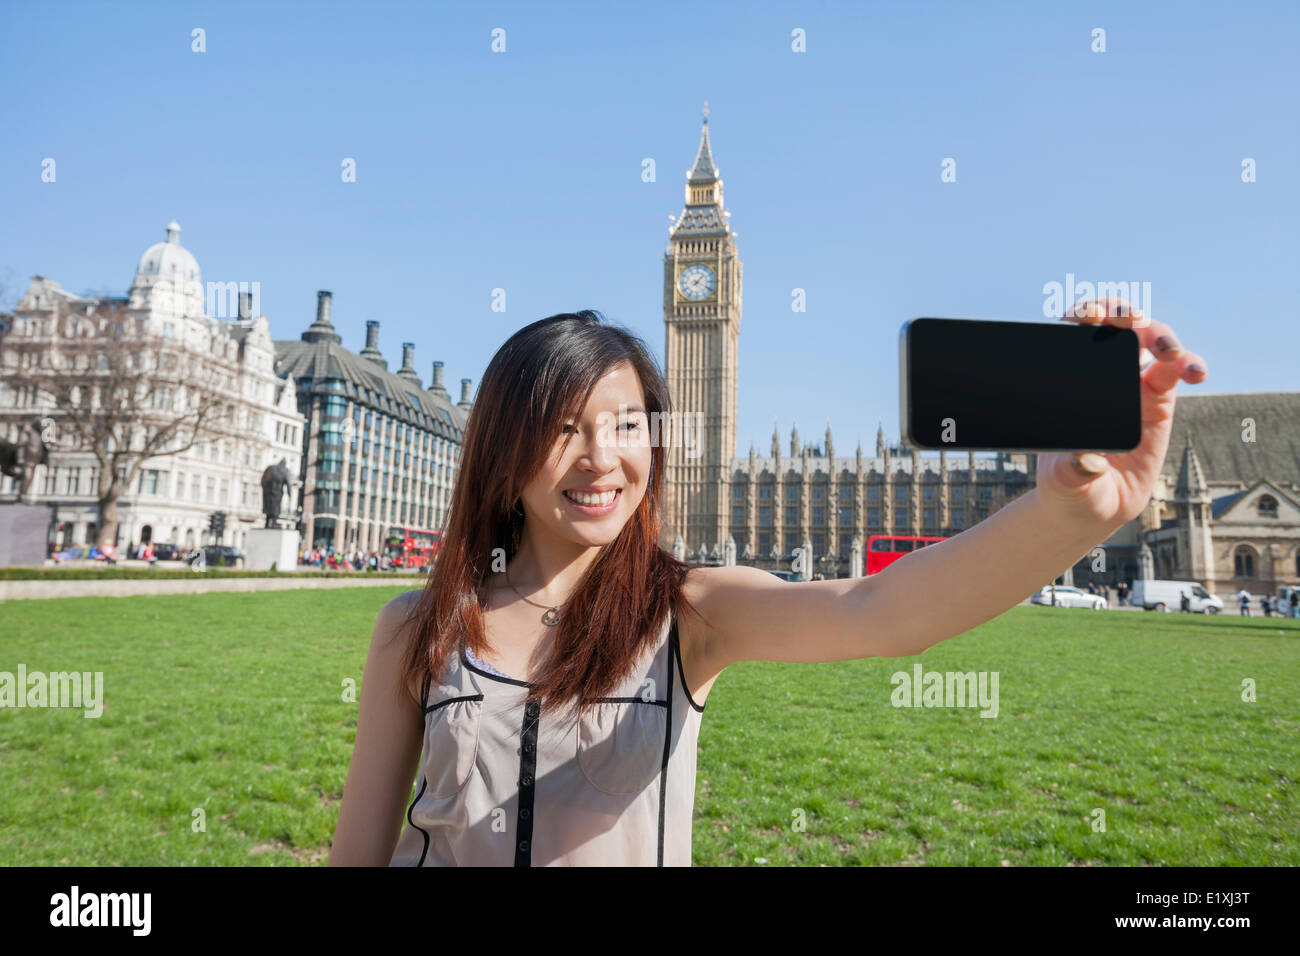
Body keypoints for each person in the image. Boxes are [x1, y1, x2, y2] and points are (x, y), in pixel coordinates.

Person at [329, 298, 1208, 867]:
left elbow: (883, 611)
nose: (602, 458)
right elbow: (359, 853)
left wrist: (1075, 512)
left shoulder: (686, 613)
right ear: (505, 446)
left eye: (627, 424)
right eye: (565, 428)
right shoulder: (419, 627)